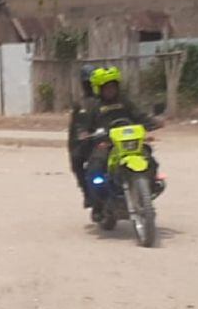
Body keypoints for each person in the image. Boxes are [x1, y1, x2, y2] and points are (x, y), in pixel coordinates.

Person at [81, 67, 164, 219]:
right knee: (95, 166)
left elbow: (140, 116)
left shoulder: (125, 102)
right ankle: (98, 204)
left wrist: (153, 122)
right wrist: (85, 133)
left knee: (148, 156)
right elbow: (85, 125)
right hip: (106, 144)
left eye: (113, 86)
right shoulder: (93, 106)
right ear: (99, 89)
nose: (110, 90)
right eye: (106, 87)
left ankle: (152, 184)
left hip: (129, 142)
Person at [68, 65, 99, 207]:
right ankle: (87, 193)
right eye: (87, 83)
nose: (90, 86)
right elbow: (74, 128)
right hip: (89, 142)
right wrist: (75, 145)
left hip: (110, 139)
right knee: (76, 160)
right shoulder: (80, 104)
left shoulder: (108, 99)